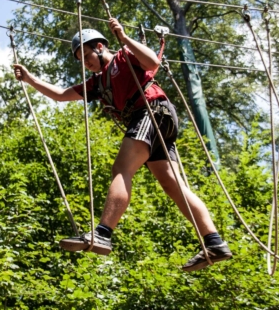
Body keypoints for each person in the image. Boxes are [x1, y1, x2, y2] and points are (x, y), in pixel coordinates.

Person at [13, 18, 232, 272]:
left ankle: (103, 232)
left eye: (86, 56)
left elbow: (153, 63)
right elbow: (61, 95)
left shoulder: (123, 57)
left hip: (151, 111)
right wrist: (30, 79)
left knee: (121, 168)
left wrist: (125, 38)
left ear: (99, 46)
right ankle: (213, 241)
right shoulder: (97, 83)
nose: (86, 63)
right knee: (172, 184)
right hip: (156, 119)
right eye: (81, 61)